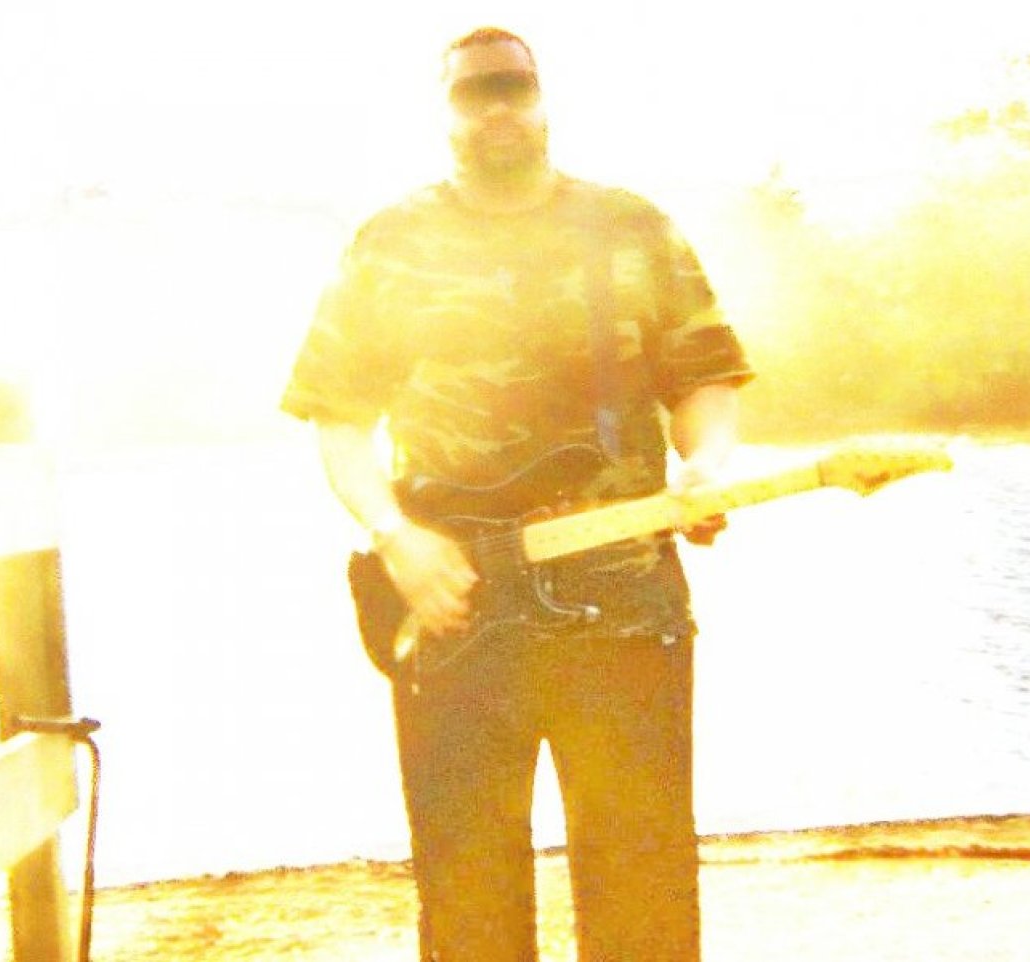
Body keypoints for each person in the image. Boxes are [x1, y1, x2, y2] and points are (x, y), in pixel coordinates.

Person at [281, 26, 752, 962]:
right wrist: (395, 536)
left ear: (542, 98)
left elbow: (706, 378)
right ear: (446, 111)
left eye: (513, 87)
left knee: (645, 892)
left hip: (623, 604)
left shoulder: (632, 227)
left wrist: (705, 467)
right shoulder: (391, 243)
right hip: (454, 607)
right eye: (474, 93)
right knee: (467, 898)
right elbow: (339, 423)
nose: (497, 107)